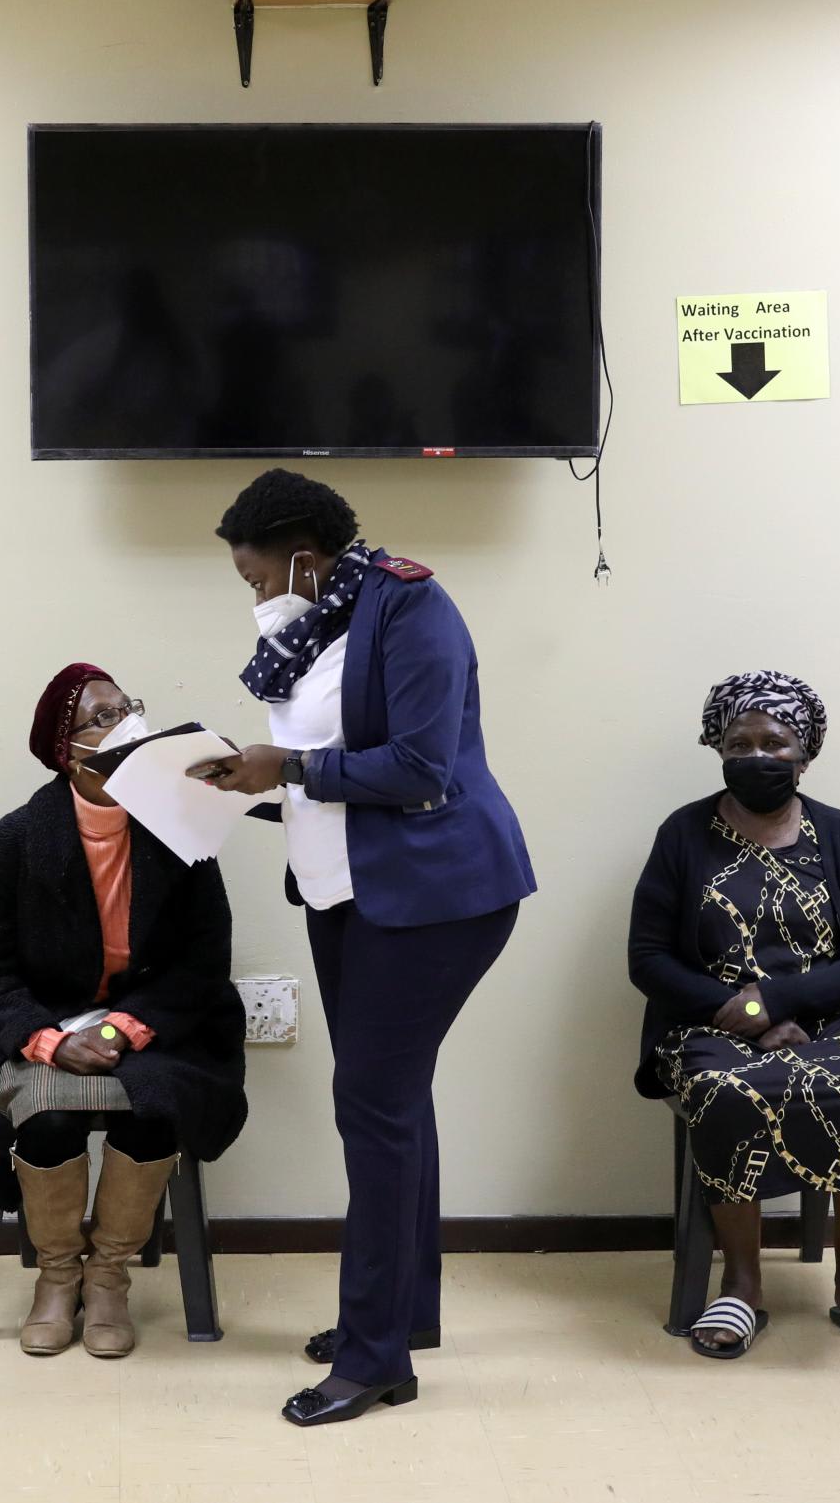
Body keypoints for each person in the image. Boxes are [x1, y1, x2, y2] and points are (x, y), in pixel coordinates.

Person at [189, 469, 534, 1426]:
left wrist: (287, 767)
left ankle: (374, 1357)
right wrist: (241, 785)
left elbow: (420, 768)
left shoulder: (412, 607)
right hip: (347, 890)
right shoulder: (313, 625)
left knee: (370, 1105)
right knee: (393, 1097)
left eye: (260, 578)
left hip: (437, 894)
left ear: (307, 554)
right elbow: (324, 766)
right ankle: (405, 1312)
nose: (257, 596)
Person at [0, 663, 248, 1358]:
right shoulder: (16, 838)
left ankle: (108, 1278)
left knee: (157, 1101)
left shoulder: (179, 824)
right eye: (101, 717)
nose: (126, 723)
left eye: (128, 706)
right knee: (46, 1113)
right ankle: (57, 1276)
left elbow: (203, 962)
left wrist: (119, 1027)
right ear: (64, 751)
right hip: (43, 1024)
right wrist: (47, 1039)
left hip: (160, 1025)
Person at [625, 672, 840, 1361]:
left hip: (831, 1018)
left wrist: (776, 1003)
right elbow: (647, 958)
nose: (757, 754)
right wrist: (745, 1017)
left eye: (775, 742)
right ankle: (742, 1283)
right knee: (724, 1089)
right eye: (740, 742)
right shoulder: (683, 833)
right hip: (710, 1019)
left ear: (805, 752)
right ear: (719, 749)